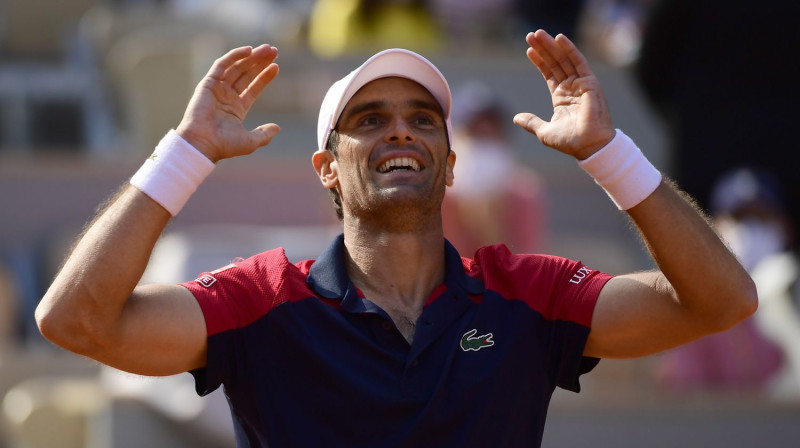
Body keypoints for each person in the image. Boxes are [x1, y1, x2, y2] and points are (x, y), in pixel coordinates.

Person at [35, 31, 756, 447]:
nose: (401, 129)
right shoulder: (259, 299)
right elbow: (75, 321)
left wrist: (611, 154)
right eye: (369, 119)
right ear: (328, 171)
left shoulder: (526, 292)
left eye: (421, 118)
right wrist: (185, 152)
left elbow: (720, 302)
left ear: (448, 164)